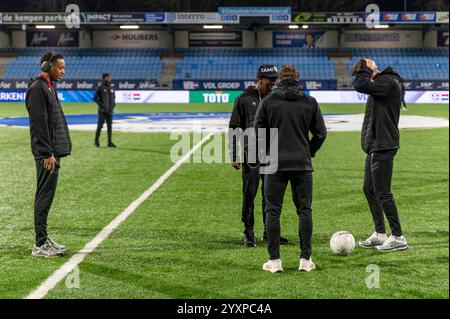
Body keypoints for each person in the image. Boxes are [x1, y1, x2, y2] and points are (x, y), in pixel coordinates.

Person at [254, 65, 327, 273]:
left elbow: (257, 132)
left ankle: (275, 261)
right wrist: (308, 151)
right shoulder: (309, 102)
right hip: (302, 164)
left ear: (279, 79)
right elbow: (321, 134)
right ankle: (305, 260)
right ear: (298, 79)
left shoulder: (268, 102)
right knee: (304, 210)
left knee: (272, 211)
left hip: (274, 164)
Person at [228, 64, 288, 247]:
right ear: (260, 80)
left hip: (271, 153)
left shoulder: (276, 99)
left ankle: (269, 233)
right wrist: (233, 154)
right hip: (251, 154)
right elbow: (234, 128)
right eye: (270, 81)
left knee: (270, 195)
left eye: (275, 81)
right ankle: (248, 232)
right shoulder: (243, 99)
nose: (273, 84)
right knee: (249, 194)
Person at [352, 59, 408, 252]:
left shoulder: (387, 82)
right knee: (369, 189)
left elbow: (360, 84)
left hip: (383, 144)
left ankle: (398, 236)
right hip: (377, 145)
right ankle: (380, 233)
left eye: (366, 72)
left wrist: (367, 68)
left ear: (372, 71)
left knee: (383, 191)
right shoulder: (381, 85)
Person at [25, 51, 71, 257]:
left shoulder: (48, 87)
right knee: (44, 197)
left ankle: (44, 239)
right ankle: (40, 244)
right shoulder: (38, 89)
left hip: (51, 151)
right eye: (60, 67)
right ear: (47, 66)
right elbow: (39, 123)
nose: (63, 71)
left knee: (47, 196)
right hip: (47, 154)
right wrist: (46, 153)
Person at [94, 73, 116, 147]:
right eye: (108, 77)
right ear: (104, 78)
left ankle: (109, 142)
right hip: (102, 112)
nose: (109, 78)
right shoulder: (100, 87)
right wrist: (102, 106)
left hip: (110, 112)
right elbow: (95, 98)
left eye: (110, 77)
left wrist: (113, 107)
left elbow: (113, 99)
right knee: (99, 127)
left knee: (110, 128)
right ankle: (96, 142)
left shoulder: (111, 88)